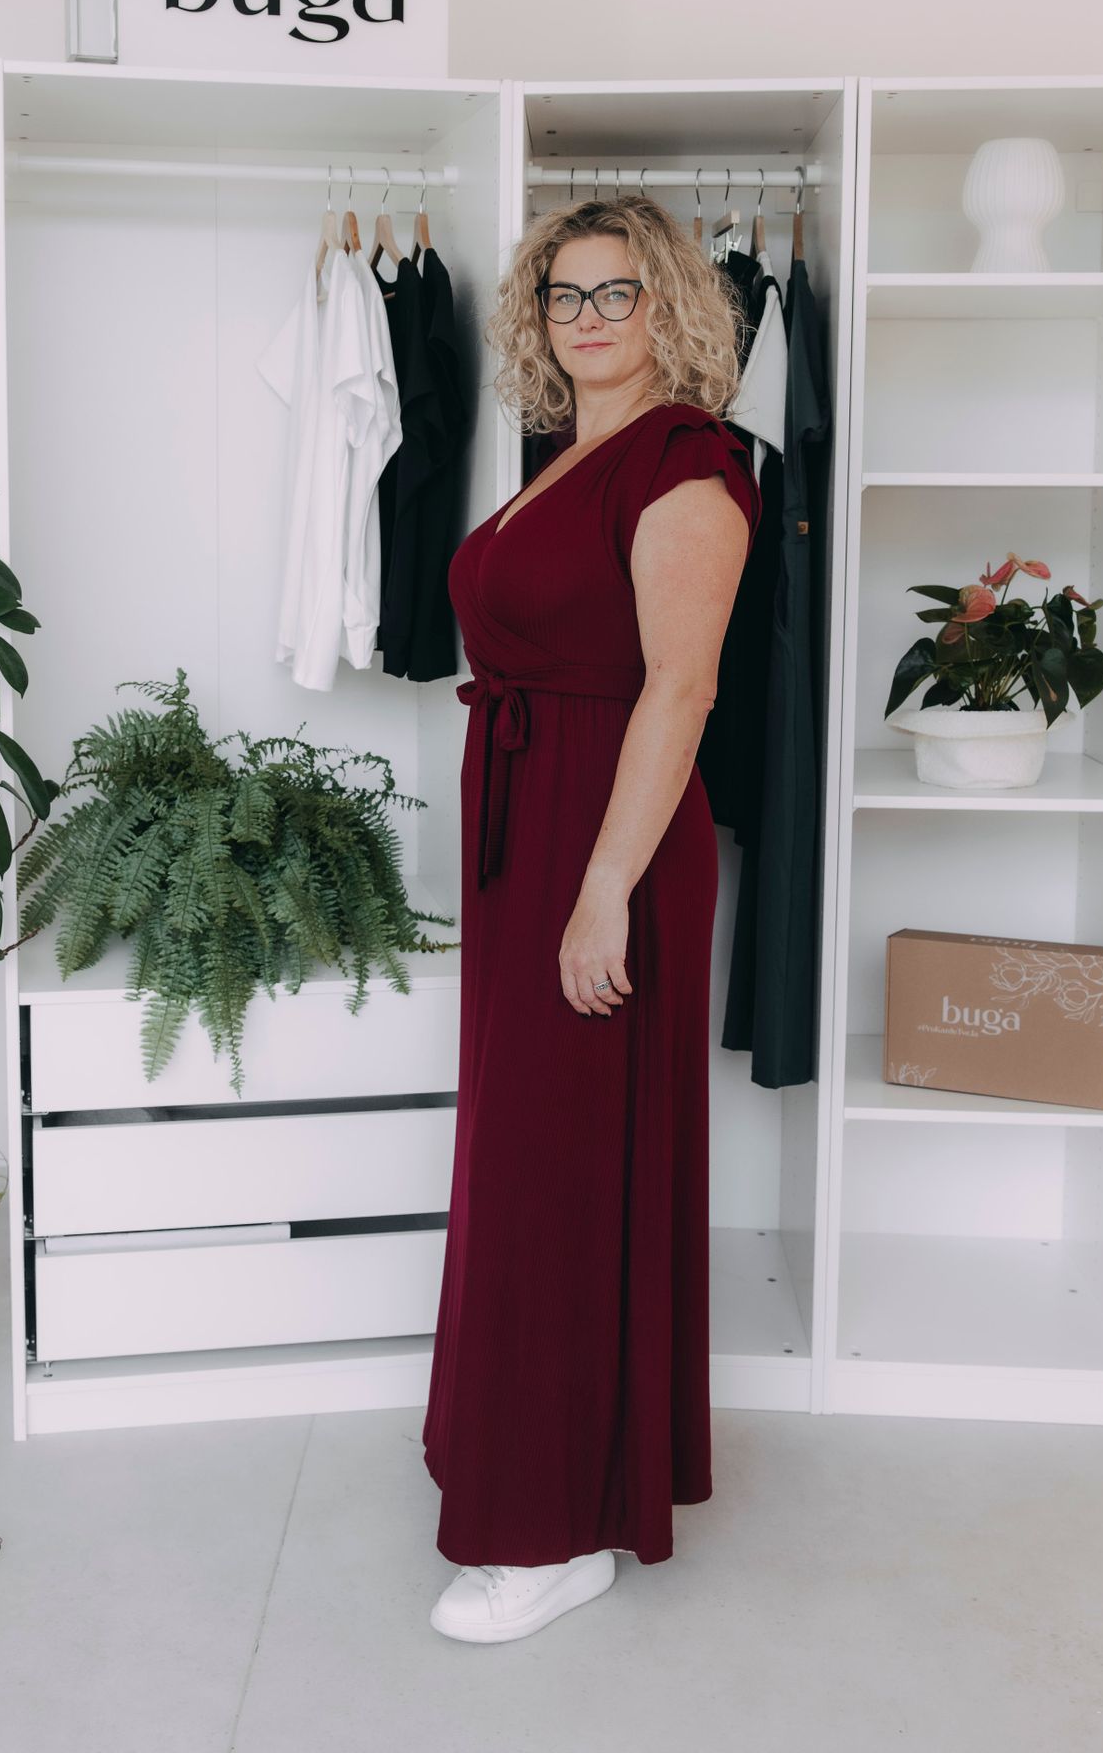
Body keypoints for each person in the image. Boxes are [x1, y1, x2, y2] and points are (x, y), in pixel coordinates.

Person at [423, 195, 762, 1645]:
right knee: (529, 1163)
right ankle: (547, 1470)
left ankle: (553, 1532)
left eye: (617, 292)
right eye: (564, 295)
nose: (587, 317)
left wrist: (603, 893)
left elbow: (680, 692)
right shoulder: (565, 457)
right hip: (532, 831)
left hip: (602, 846)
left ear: (668, 303)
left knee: (561, 1174)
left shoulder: (689, 464)